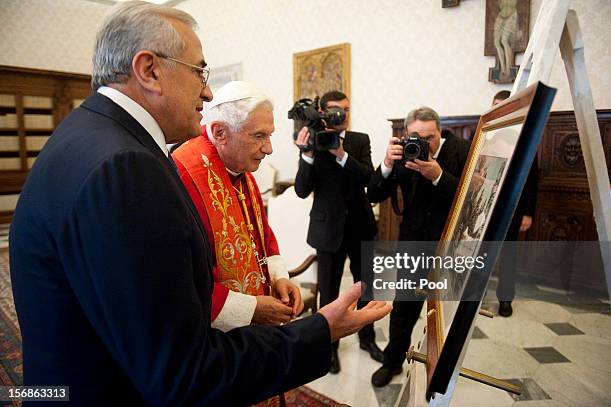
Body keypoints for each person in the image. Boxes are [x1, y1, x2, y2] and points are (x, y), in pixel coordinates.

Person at [8, 2, 391, 406]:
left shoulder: (83, 133)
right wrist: (319, 331)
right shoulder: (129, 167)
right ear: (149, 70)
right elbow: (180, 372)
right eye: (199, 71)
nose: (207, 91)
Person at [173, 81, 303, 334]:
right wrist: (250, 309)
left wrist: (279, 278)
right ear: (220, 132)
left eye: (269, 135)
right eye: (259, 136)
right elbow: (184, 276)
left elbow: (261, 232)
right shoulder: (184, 173)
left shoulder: (241, 167)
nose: (268, 148)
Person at [367, 107, 470, 387]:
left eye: (431, 137)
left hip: (450, 247)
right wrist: (387, 163)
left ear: (440, 131)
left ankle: (441, 369)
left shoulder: (461, 149)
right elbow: (373, 193)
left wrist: (438, 175)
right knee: (404, 308)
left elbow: (471, 198)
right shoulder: (404, 152)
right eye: (417, 136)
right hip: (413, 245)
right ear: (405, 135)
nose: (425, 142)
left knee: (445, 314)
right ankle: (392, 363)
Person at [294, 90, 382, 374]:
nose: (341, 115)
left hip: (361, 226)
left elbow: (368, 178)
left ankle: (367, 338)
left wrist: (341, 155)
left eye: (345, 109)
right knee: (329, 293)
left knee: (366, 287)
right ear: (321, 111)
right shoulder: (313, 142)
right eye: (334, 109)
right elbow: (301, 189)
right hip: (327, 229)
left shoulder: (359, 140)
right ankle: (328, 348)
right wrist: (307, 155)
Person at [492, 90, 538, 317]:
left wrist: (528, 213)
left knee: (508, 256)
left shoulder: (525, 139)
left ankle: (505, 299)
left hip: (512, 209)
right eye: (497, 107)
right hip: (485, 208)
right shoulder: (486, 138)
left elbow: (531, 178)